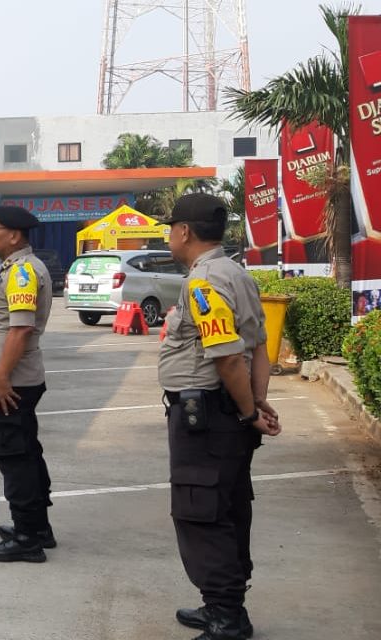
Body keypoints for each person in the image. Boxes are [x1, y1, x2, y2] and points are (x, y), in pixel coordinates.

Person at [159, 193, 281, 640]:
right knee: (226, 507)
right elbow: (260, 346)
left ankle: (226, 619)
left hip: (207, 417)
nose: (170, 235)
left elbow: (229, 358)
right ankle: (222, 605)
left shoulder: (204, 282)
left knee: (201, 511)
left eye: (171, 228)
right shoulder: (237, 274)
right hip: (228, 413)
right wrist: (257, 403)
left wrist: (250, 412)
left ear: (185, 232)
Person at [0, 206, 56, 564]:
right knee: (26, 452)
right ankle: (37, 526)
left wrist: (1, 376)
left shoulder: (22, 272)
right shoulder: (15, 268)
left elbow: (20, 329)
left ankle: (27, 537)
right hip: (14, 380)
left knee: (14, 457)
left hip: (11, 384)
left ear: (15, 235)